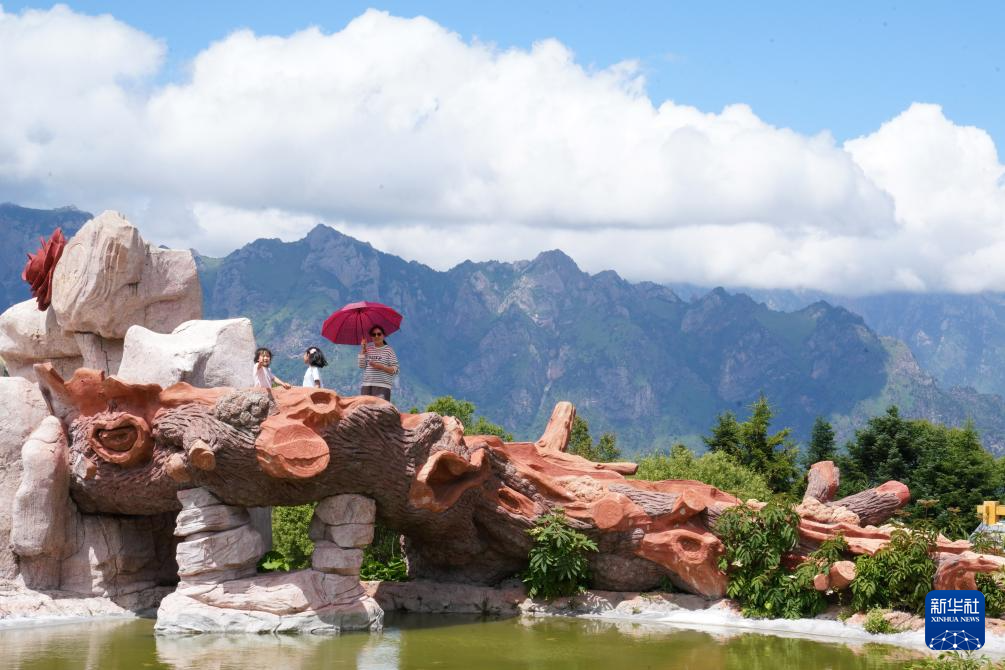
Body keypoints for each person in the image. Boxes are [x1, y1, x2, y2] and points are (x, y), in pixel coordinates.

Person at [358, 326, 398, 401]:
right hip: (367, 386)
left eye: (379, 334)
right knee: (365, 408)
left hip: (382, 387)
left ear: (383, 335)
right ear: (371, 337)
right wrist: (363, 350)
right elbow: (361, 365)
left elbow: (396, 370)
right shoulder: (368, 349)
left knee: (380, 408)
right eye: (374, 334)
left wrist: (381, 367)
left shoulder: (389, 350)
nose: (376, 336)